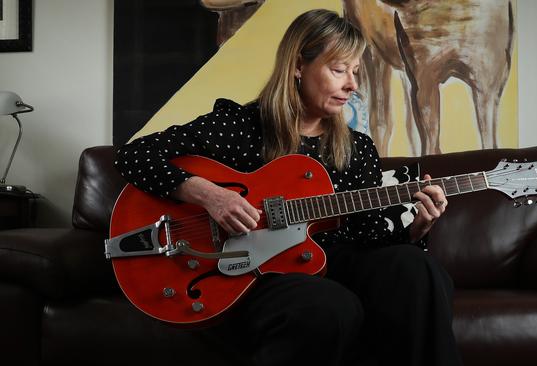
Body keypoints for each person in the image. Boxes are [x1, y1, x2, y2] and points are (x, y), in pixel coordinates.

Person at [115, 8, 462, 366]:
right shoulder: (240, 125)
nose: (352, 85)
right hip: (257, 274)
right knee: (328, 306)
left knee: (416, 268)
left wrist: (419, 227)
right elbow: (134, 155)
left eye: (356, 72)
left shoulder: (357, 148)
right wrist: (211, 195)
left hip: (332, 264)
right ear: (298, 66)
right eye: (339, 69)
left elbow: (370, 241)